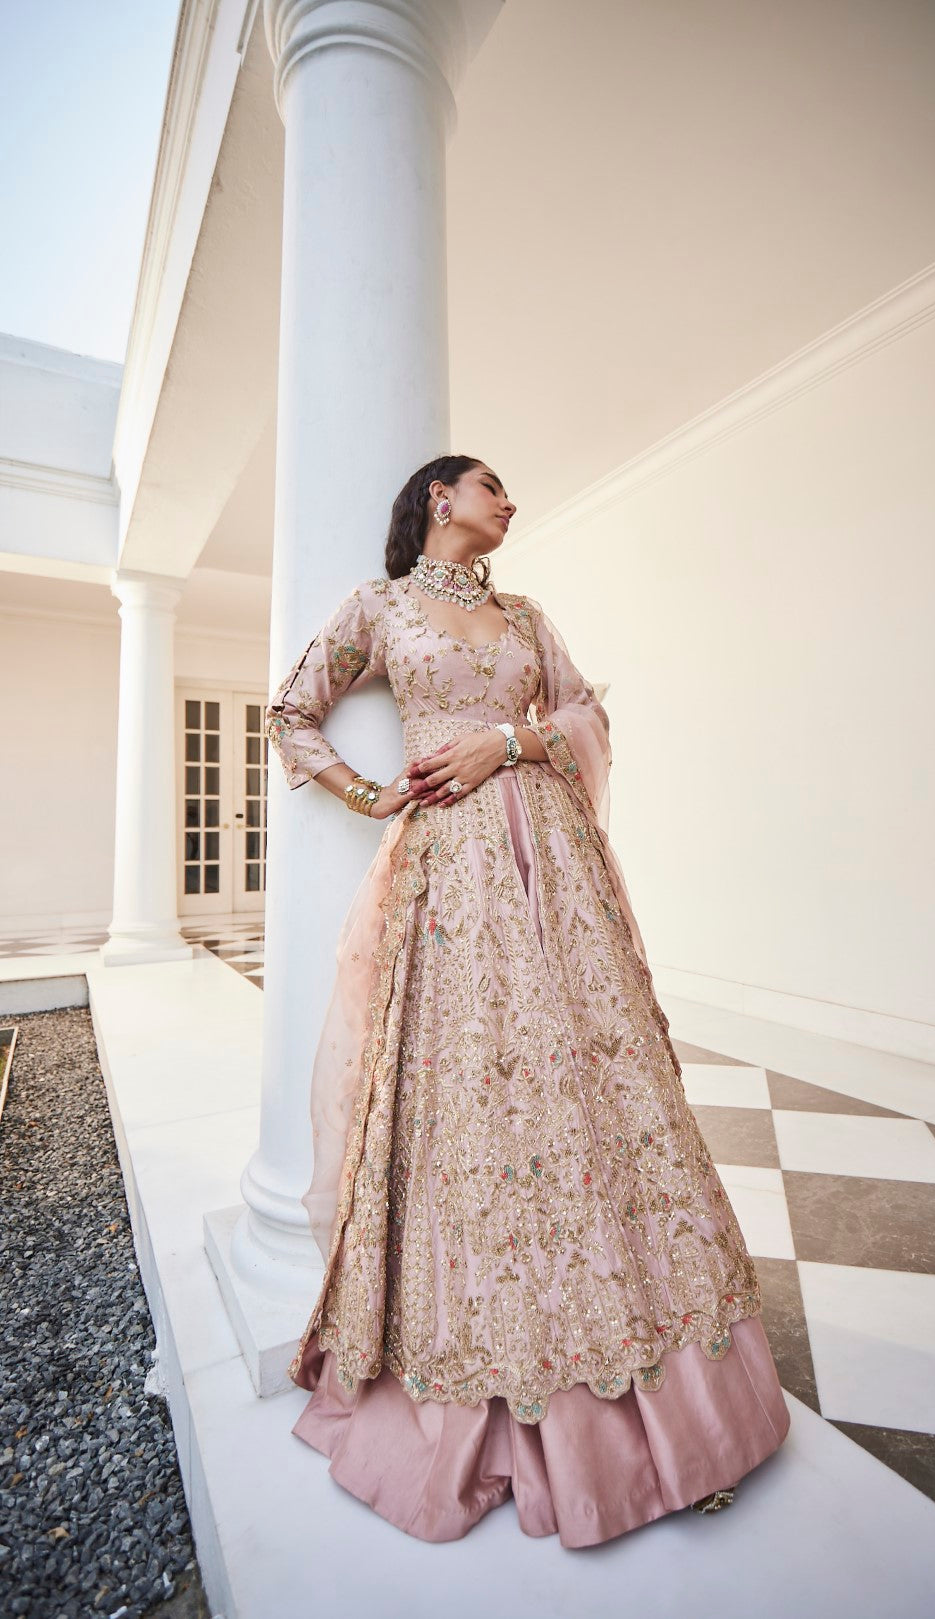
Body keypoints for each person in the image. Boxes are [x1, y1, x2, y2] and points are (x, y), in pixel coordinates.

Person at [266, 454, 790, 1547]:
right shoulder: (379, 609)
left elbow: (587, 714)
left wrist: (506, 740)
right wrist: (371, 794)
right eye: (489, 484)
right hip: (452, 876)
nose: (509, 501)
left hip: (554, 867)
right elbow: (293, 711)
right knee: (478, 1104)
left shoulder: (526, 617)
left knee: (603, 1093)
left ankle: (677, 1401)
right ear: (438, 499)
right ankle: (511, 1375)